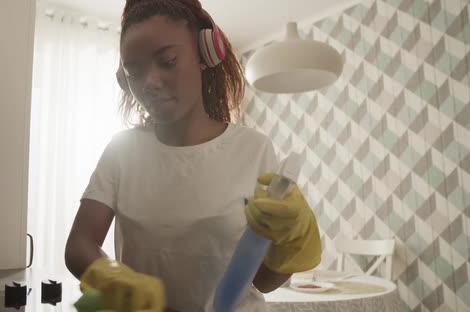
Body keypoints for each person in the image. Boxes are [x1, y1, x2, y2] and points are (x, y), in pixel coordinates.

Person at [64, 0, 322, 311]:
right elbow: (79, 244)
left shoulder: (253, 148)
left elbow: (262, 282)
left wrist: (292, 243)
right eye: (134, 71)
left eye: (168, 61)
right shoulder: (122, 151)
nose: (149, 82)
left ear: (204, 54)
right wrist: (110, 275)